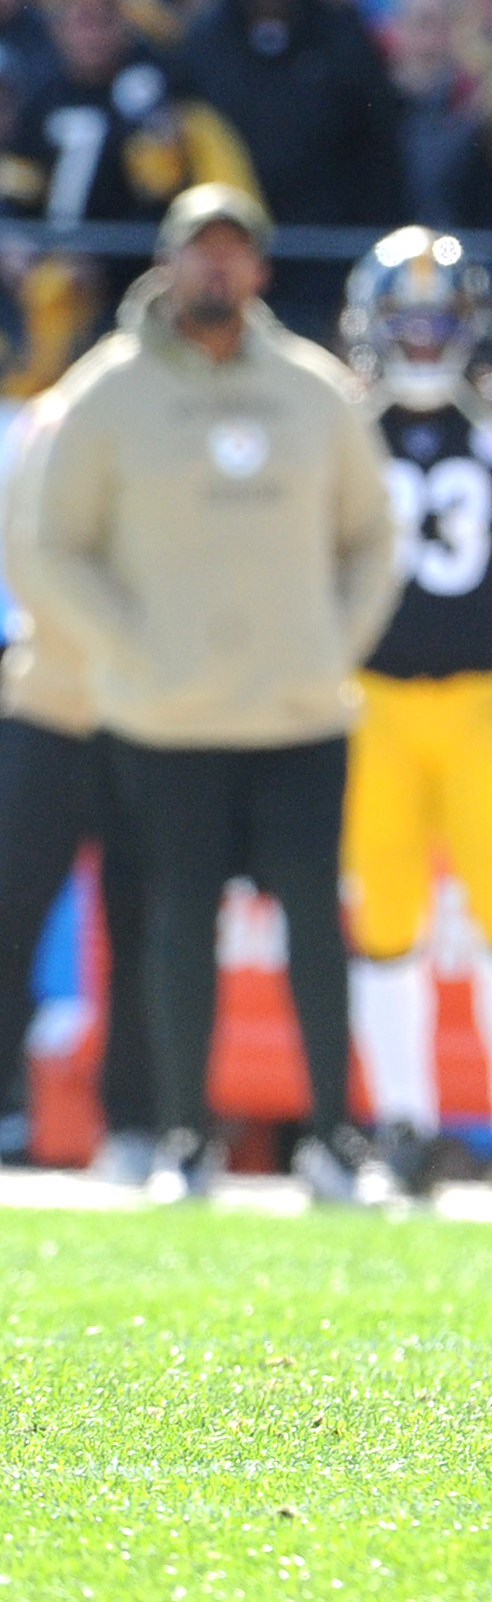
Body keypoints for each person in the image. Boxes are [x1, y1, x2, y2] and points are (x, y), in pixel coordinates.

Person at [20, 185, 402, 1205]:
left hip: (299, 712)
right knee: (177, 926)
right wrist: (127, 648)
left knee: (316, 928)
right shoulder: (106, 391)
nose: (216, 272)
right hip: (167, 716)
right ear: (167, 262)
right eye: (200, 254)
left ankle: (335, 1138)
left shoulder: (316, 389)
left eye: (234, 254)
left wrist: (339, 641)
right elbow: (50, 543)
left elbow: (375, 533)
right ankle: (184, 1135)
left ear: (262, 270)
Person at [337, 228, 492, 1209]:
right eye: (411, 319)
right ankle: (404, 1124)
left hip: (485, 696)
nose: (428, 336)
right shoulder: (347, 422)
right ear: (376, 325)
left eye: (443, 319)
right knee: (387, 916)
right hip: (373, 700)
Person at [0, 392, 155, 1181]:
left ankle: (138, 1121)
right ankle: (5, 1104)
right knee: (11, 905)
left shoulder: (172, 421)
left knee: (144, 922)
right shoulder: (54, 423)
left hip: (149, 717)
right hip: (52, 700)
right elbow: (30, 562)